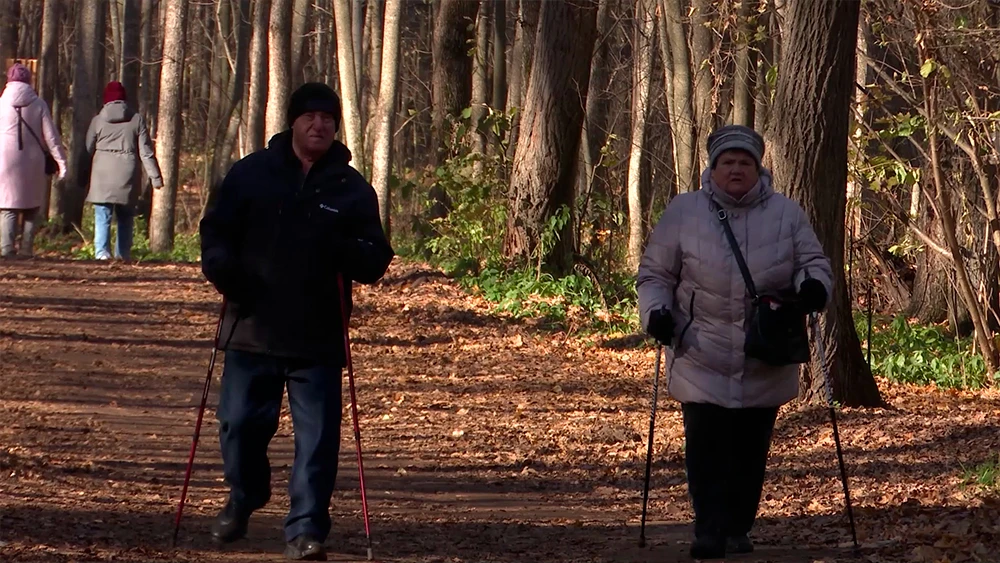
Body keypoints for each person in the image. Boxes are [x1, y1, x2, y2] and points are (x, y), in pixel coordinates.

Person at [199, 82, 394, 561]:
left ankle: (307, 529)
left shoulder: (351, 189)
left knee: (318, 441)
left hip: (319, 335)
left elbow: (375, 258)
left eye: (327, 118)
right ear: (293, 122)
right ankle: (245, 495)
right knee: (238, 425)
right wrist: (223, 270)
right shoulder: (251, 175)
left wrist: (343, 248)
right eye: (309, 116)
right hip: (251, 326)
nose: (319, 125)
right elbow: (216, 233)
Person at [636, 124, 833, 560]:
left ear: (759, 168)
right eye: (728, 162)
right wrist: (657, 314)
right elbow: (655, 275)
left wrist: (814, 287)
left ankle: (738, 526)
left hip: (764, 352)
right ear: (713, 168)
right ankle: (708, 528)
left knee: (750, 449)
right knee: (704, 446)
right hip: (699, 349)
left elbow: (812, 262)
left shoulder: (786, 213)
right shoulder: (684, 212)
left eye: (745, 162)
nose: (737, 169)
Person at [85, 81, 163, 261]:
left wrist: (82, 177)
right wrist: (155, 177)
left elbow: (87, 150)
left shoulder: (97, 120)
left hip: (101, 174)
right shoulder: (136, 119)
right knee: (126, 216)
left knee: (102, 214)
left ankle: (102, 254)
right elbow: (146, 152)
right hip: (127, 173)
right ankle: (123, 254)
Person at [0, 63, 68, 258]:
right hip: (33, 161)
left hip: (5, 162)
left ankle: (6, 249)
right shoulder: (39, 104)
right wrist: (61, 163)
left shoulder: (1, 104)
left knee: (7, 207)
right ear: (29, 81)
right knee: (31, 206)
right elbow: (52, 138)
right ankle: (26, 249)